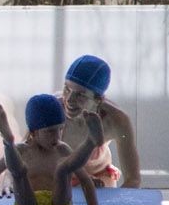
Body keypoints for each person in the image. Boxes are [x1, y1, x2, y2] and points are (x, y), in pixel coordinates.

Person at [0, 95, 103, 205]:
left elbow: (86, 182)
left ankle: (90, 142)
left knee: (63, 170)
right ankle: (8, 141)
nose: (57, 137)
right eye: (50, 132)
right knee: (19, 173)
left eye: (60, 129)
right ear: (33, 132)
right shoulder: (22, 151)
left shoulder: (62, 150)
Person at [60, 54, 140, 188]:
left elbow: (133, 180)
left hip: (99, 180)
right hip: (59, 178)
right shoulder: (52, 110)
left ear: (98, 100)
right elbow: (28, 158)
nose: (69, 100)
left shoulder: (116, 120)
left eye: (80, 95)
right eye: (67, 89)